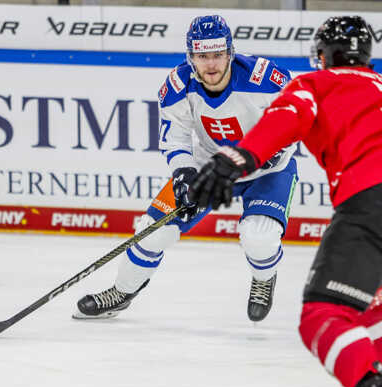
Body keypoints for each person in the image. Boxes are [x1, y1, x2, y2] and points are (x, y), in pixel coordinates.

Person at [189, 16, 382, 387]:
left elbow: (284, 118)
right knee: (364, 288)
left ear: (321, 55)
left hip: (380, 196)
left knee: (322, 314)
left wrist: (235, 159)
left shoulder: (317, 83)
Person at [73, 15, 298, 323]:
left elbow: (296, 118)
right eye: (203, 56)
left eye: (218, 54)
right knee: (152, 232)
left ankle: (263, 277)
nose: (212, 64)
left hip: (267, 169)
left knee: (259, 237)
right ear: (190, 56)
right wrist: (184, 175)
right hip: (212, 166)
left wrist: (273, 151)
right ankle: (122, 292)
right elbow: (175, 136)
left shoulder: (263, 77)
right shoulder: (178, 85)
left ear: (230, 53)